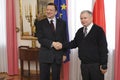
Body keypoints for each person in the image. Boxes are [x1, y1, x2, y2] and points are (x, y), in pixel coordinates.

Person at [62, 10, 108, 80]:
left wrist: (104, 64)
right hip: (84, 65)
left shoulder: (99, 30)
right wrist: (62, 45)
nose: (83, 20)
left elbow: (103, 48)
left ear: (91, 18)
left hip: (96, 66)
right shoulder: (80, 31)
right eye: (81, 18)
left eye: (85, 18)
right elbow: (74, 43)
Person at [35, 3, 67, 80]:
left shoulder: (62, 23)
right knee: (44, 77)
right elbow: (40, 39)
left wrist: (65, 53)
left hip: (57, 55)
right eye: (47, 10)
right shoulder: (40, 23)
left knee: (56, 77)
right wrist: (53, 44)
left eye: (51, 10)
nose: (48, 11)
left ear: (56, 12)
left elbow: (64, 39)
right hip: (45, 55)